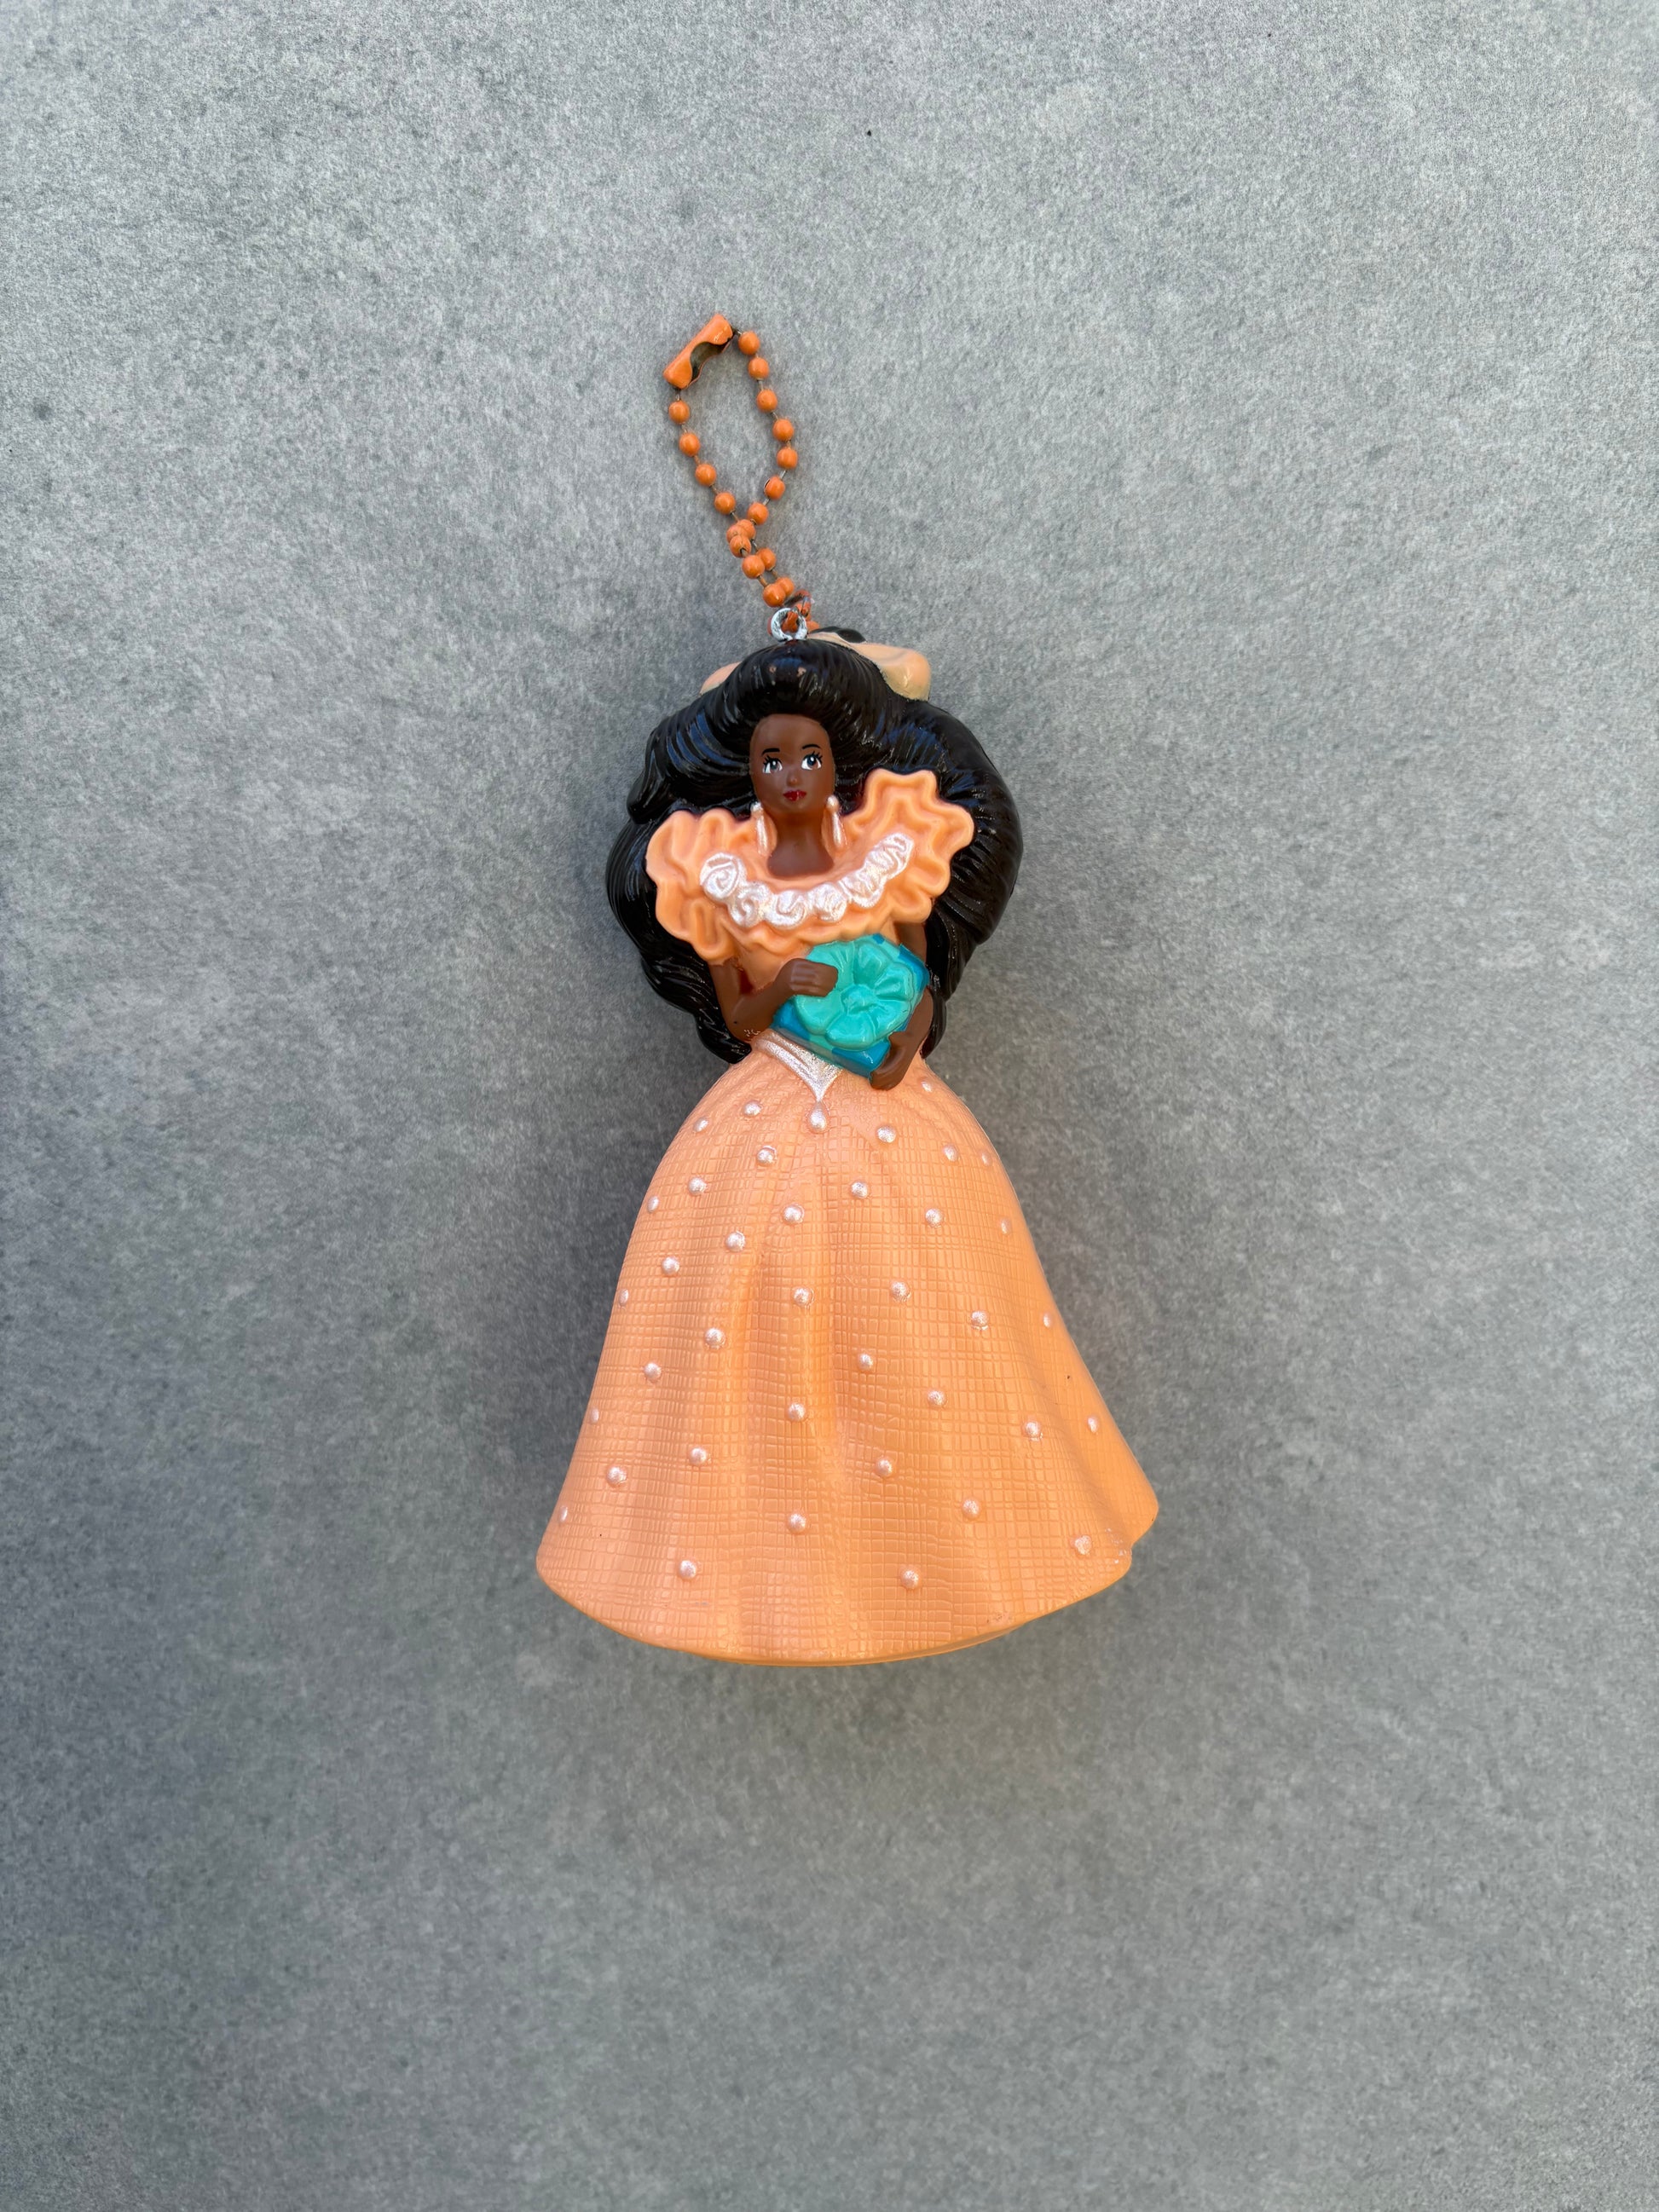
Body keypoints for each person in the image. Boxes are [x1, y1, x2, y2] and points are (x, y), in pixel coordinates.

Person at [537, 632, 1156, 1663]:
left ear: (838, 766)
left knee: (933, 1313)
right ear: (745, 772)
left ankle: (950, 1535)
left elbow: (915, 978)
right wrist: (781, 986)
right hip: (768, 1099)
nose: (790, 775)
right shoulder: (718, 878)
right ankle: (758, 1555)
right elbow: (738, 1015)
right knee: (739, 1328)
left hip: (889, 1107)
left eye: (809, 757)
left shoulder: (884, 854)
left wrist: (909, 1037)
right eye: (770, 760)